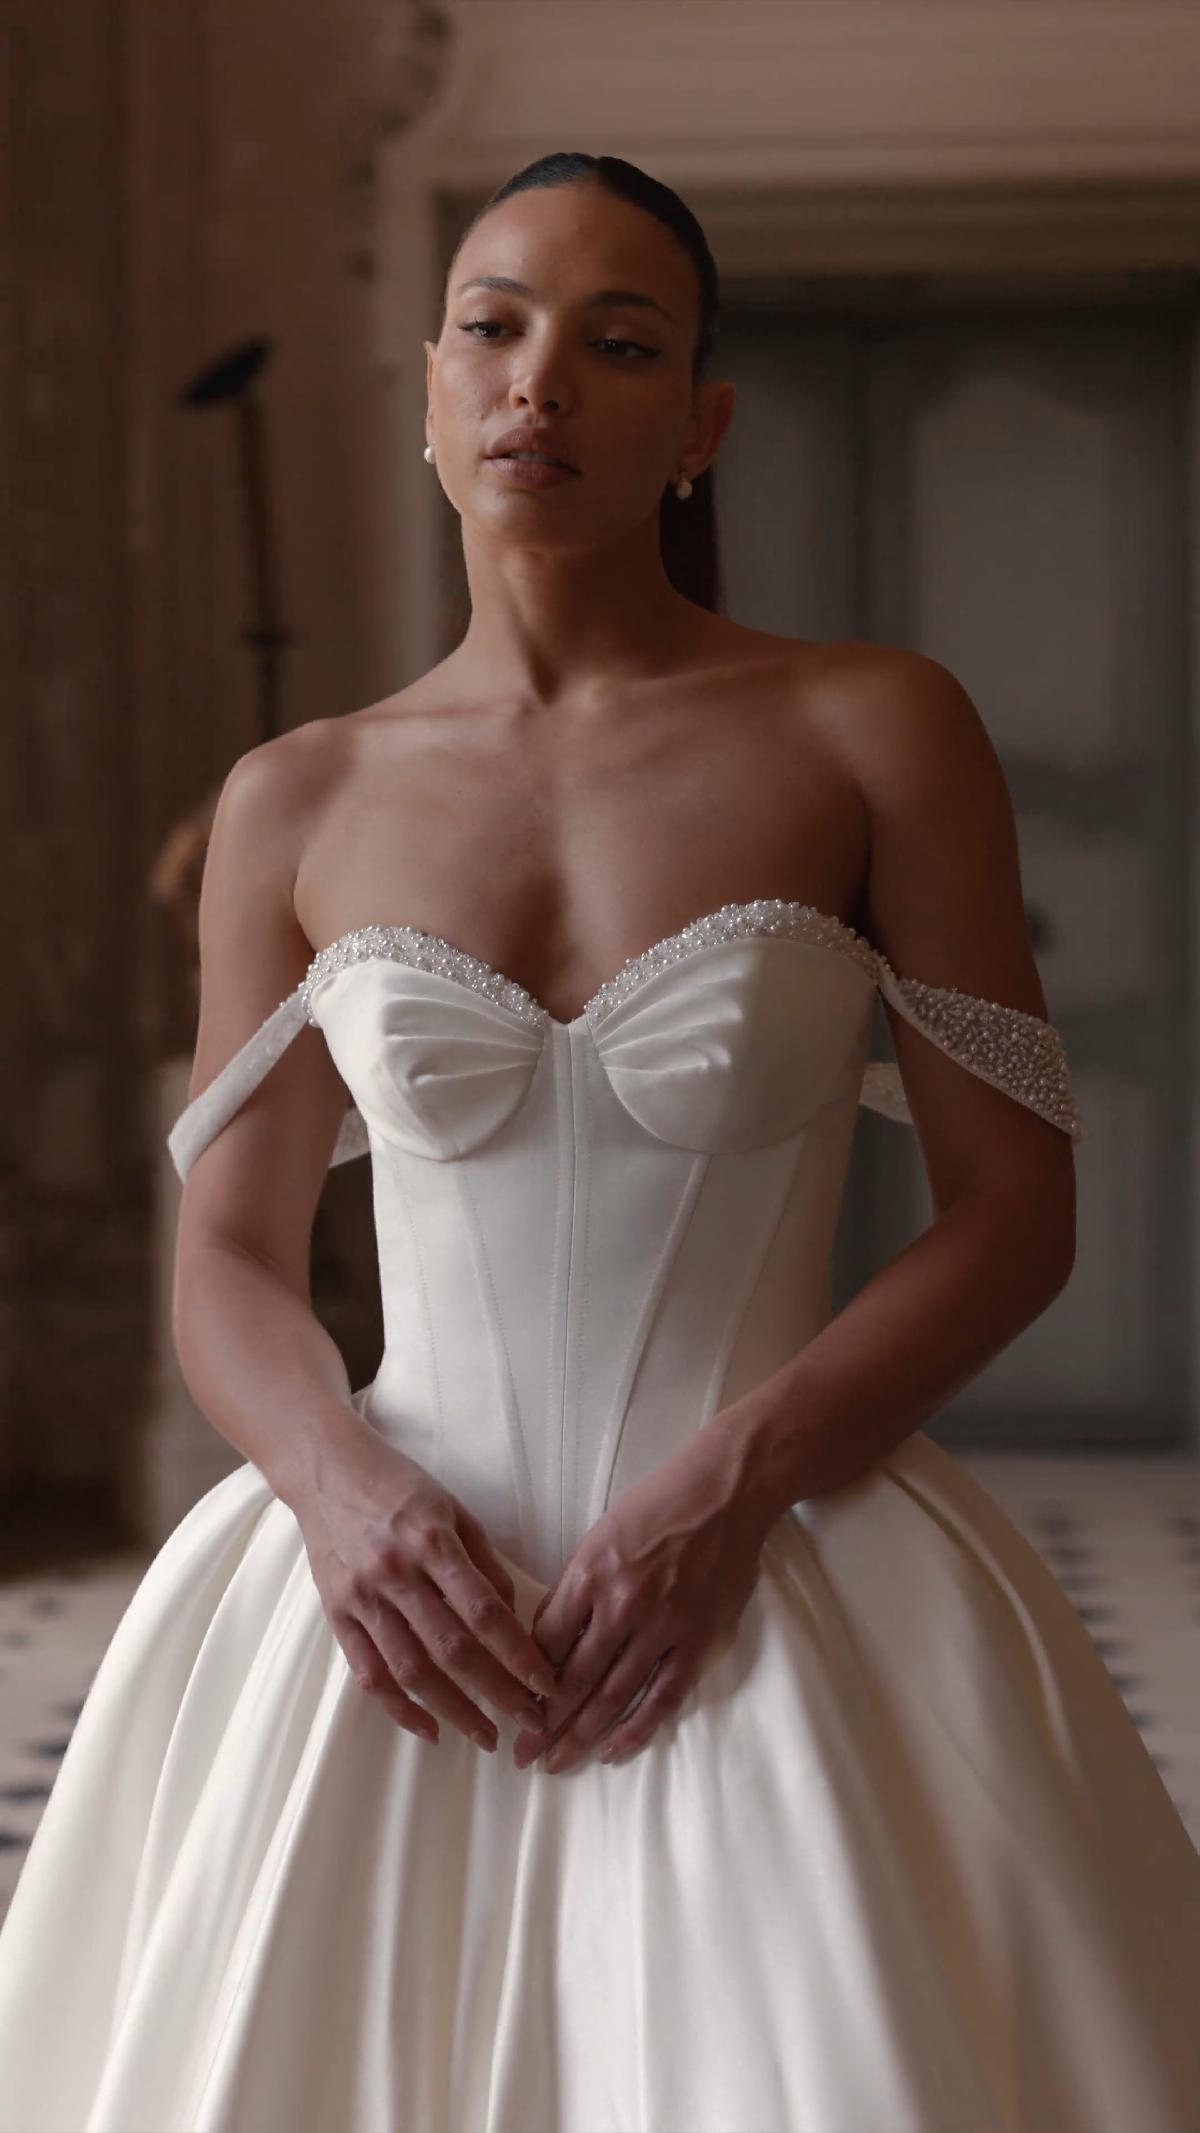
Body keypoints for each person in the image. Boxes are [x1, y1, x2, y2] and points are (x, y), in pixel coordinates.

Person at [0, 147, 1197, 2133]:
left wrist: (737, 1480)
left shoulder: (875, 727)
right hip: (395, 1584)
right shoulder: (294, 797)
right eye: (493, 325)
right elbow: (226, 1252)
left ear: (701, 423)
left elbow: (1013, 1212)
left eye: (617, 341)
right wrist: (340, 1491)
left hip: (786, 1556)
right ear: (430, 392)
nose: (539, 379)